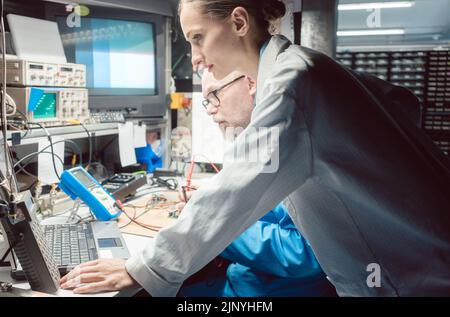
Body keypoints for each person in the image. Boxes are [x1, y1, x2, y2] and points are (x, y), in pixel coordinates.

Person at [60, 0, 450, 296]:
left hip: (413, 281)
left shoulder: (292, 83)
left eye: (198, 38)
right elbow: (401, 100)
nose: (195, 58)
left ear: (239, 22)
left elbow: (236, 190)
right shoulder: (303, 69)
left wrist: (141, 268)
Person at [177, 70, 336, 297]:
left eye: (214, 95)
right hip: (242, 280)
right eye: (206, 101)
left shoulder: (299, 147)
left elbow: (303, 254)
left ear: (250, 83)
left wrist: (211, 223)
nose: (211, 109)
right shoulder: (266, 144)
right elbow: (275, 213)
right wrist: (214, 201)